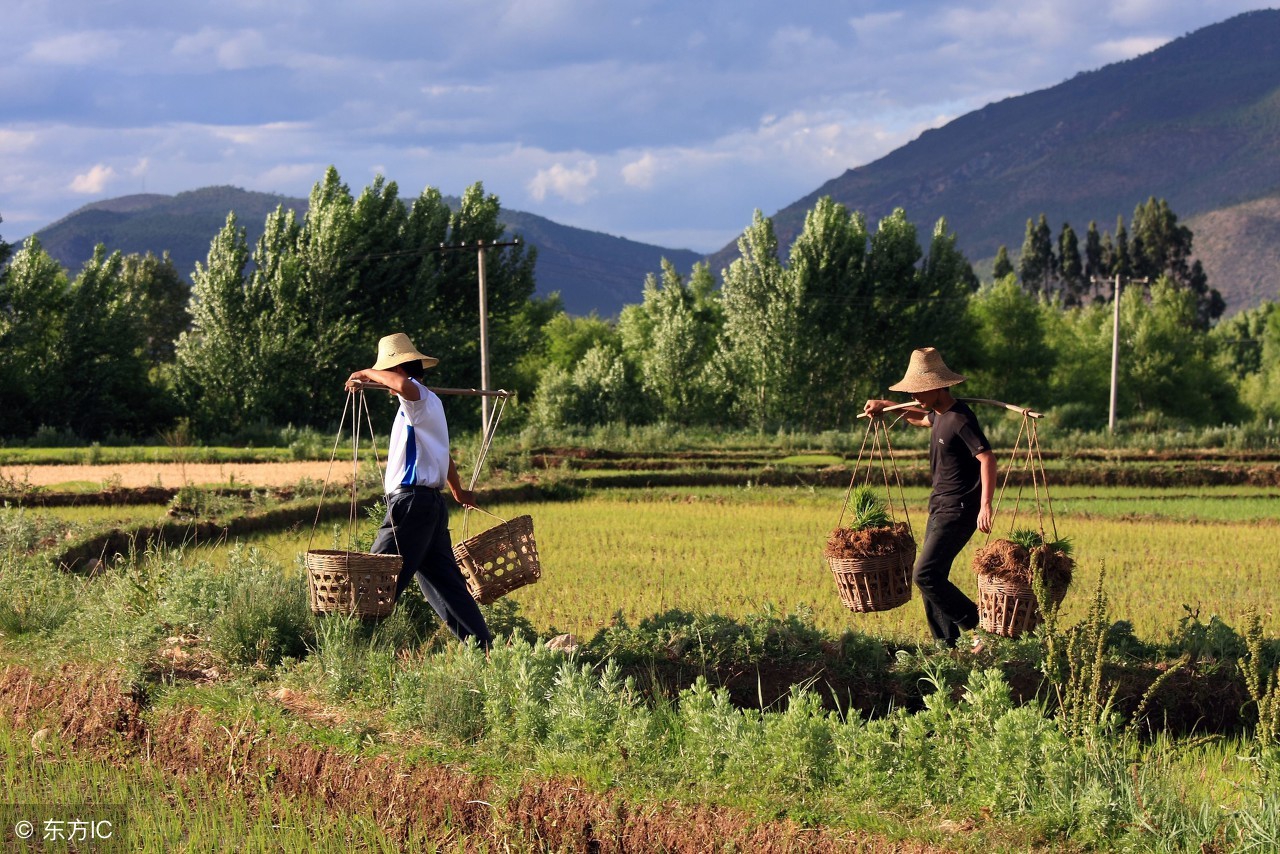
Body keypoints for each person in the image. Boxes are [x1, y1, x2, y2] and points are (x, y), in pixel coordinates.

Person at [345, 332, 493, 649]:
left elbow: (402, 385)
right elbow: (443, 455)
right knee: (445, 586)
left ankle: (349, 649)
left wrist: (363, 374)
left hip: (411, 505)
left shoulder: (418, 398)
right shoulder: (428, 404)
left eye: (386, 372)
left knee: (375, 580)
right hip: (429, 507)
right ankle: (483, 649)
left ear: (396, 370)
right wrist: (458, 491)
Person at [863, 347, 996, 648]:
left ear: (939, 386)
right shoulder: (938, 416)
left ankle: (980, 628)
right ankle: (946, 646)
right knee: (933, 578)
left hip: (959, 510)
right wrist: (888, 405)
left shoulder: (961, 419)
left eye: (921, 391)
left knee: (925, 574)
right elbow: (920, 419)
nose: (917, 396)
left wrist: (985, 504)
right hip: (939, 508)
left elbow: (987, 458)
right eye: (914, 392)